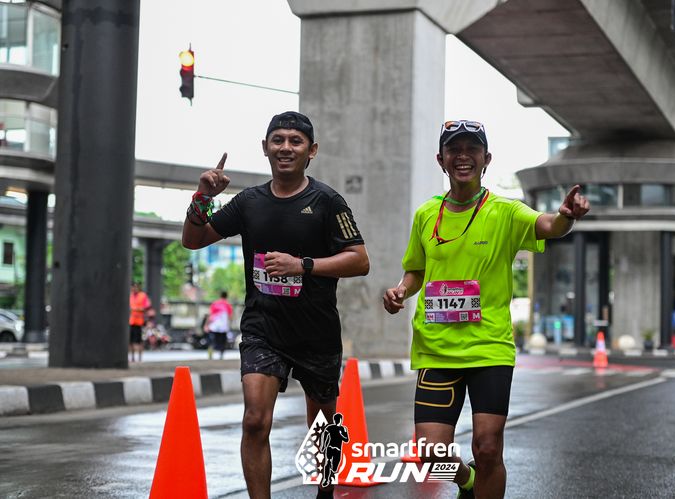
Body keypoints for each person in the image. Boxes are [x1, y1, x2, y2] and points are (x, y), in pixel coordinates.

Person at [383, 120, 589, 498]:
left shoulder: (505, 212)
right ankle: (468, 482)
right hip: (436, 348)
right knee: (429, 454)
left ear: (486, 159)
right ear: (441, 160)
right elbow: (416, 269)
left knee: (488, 447)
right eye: (454, 149)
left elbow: (548, 225)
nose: (463, 156)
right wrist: (401, 290)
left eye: (472, 149)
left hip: (489, 347)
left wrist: (566, 216)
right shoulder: (426, 215)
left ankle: (482, 479)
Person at [181, 111, 369, 499]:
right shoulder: (249, 202)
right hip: (263, 329)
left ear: (311, 151)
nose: (285, 147)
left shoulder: (328, 202)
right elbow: (193, 240)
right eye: (277, 140)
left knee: (322, 425)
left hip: (316, 331)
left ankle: (325, 491)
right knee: (254, 420)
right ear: (265, 148)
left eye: (295, 141)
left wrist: (303, 266)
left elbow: (359, 260)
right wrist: (202, 197)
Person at [320, 412, 349, 487]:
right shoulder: (330, 427)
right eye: (337, 420)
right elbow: (325, 436)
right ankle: (326, 480)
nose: (338, 421)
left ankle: (333, 471)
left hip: (337, 450)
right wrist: (323, 446)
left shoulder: (343, 429)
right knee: (327, 463)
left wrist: (341, 434)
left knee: (335, 467)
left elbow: (346, 440)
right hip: (330, 448)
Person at [205, 291, 233, 360]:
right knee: (222, 342)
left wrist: (206, 325)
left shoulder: (215, 303)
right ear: (226, 296)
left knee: (212, 340)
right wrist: (229, 326)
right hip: (223, 327)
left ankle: (210, 352)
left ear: (220, 296)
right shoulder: (228, 305)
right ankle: (221, 354)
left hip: (214, 326)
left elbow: (210, 315)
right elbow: (230, 317)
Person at [129, 282, 151, 363]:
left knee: (139, 341)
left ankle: (139, 358)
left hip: (140, 321)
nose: (134, 289)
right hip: (131, 321)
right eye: (133, 287)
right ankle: (132, 358)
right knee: (131, 341)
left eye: (136, 287)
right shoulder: (130, 296)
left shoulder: (143, 296)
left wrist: (136, 309)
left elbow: (147, 307)